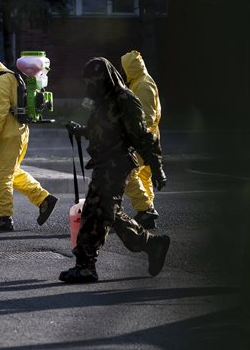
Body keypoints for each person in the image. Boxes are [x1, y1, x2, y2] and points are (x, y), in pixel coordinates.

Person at [60, 57, 170, 283]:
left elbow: (144, 138)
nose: (90, 86)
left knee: (94, 213)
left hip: (117, 165)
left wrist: (157, 168)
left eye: (94, 81)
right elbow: (100, 131)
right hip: (104, 163)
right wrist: (80, 131)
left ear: (106, 79)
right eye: (88, 81)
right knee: (112, 215)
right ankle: (152, 244)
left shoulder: (125, 100)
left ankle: (85, 266)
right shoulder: (102, 100)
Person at [0, 48, 57, 231]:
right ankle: (43, 199)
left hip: (7, 135)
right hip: (19, 132)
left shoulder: (0, 82)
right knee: (12, 172)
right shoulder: (10, 76)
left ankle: (3, 217)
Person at [121, 50, 162, 229]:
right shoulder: (139, 82)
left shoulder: (143, 85)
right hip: (147, 138)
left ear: (131, 68)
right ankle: (147, 210)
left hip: (140, 138)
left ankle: (145, 209)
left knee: (127, 173)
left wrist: (130, 133)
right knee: (143, 175)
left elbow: (144, 117)